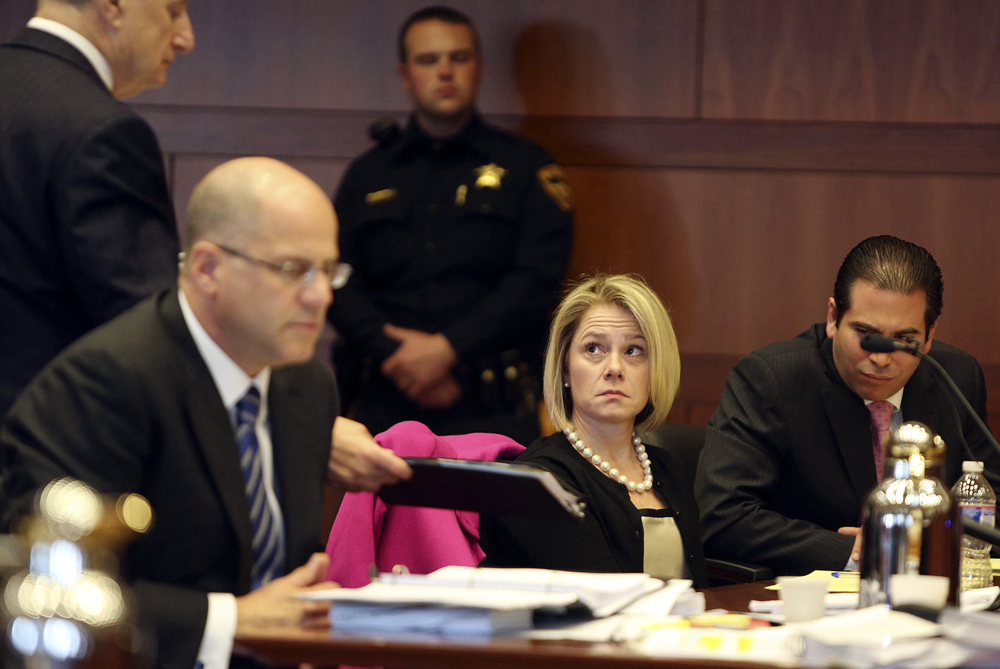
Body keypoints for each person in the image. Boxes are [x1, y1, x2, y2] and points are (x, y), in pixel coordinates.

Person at [0, 157, 381, 669]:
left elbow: (283, 578)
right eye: (292, 270)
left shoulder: (305, 385)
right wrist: (227, 621)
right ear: (207, 268)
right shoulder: (107, 381)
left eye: (329, 272)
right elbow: (49, 588)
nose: (317, 296)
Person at [330, 5, 574, 445]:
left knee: (493, 516)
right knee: (379, 518)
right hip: (383, 394)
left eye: (458, 58)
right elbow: (335, 279)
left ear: (479, 68)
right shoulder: (367, 175)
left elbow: (537, 282)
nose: (445, 71)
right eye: (428, 60)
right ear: (406, 74)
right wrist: (400, 355)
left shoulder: (526, 168)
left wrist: (446, 350)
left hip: (492, 397)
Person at [695, 235, 1000, 577]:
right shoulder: (772, 379)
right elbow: (724, 515)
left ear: (929, 337)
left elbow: (993, 504)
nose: (881, 358)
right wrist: (858, 551)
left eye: (904, 340)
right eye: (866, 334)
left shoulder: (955, 377)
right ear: (833, 317)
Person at [0, 0, 196, 420]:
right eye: (174, 10)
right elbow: (147, 332)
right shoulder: (101, 130)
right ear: (112, 6)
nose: (186, 39)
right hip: (36, 455)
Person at [479, 275, 708, 587]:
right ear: (564, 369)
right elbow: (604, 599)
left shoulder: (669, 468)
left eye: (634, 350)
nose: (614, 367)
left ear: (655, 369)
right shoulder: (541, 482)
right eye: (594, 349)